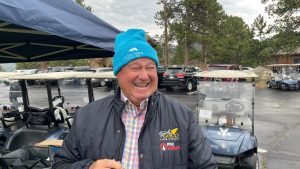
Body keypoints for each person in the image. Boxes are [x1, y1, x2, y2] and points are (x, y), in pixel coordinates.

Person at [53, 29, 217, 169]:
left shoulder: (183, 117)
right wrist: (89, 167)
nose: (144, 76)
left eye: (151, 67)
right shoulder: (86, 116)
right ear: (118, 73)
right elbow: (61, 164)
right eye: (135, 67)